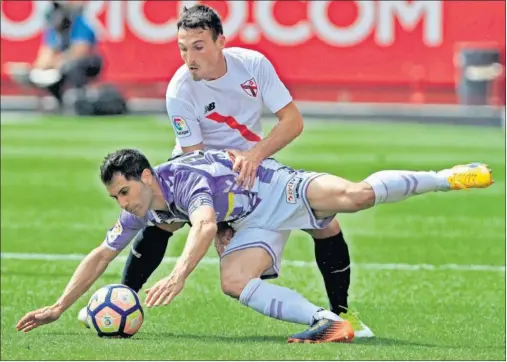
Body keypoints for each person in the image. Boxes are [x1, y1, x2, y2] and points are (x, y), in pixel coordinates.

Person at [17, 148, 493, 343]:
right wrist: (59, 306)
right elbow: (102, 254)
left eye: (124, 192)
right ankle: (329, 323)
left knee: (356, 196)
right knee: (233, 281)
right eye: (115, 198)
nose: (123, 204)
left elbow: (203, 225)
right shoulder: (145, 206)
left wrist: (178, 275)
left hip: (276, 188)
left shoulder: (183, 180)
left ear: (145, 178)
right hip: (250, 222)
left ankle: (446, 178)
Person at [112, 3, 371, 336]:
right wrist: (220, 226)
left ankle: (343, 317)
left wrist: (255, 155)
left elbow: (292, 121)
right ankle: (123, 299)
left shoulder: (252, 65)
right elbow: (196, 164)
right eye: (183, 48)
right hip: (196, 170)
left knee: (326, 224)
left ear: (221, 42)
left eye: (198, 46)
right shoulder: (180, 88)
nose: (189, 57)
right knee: (162, 220)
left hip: (251, 166)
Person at [5, 1, 102, 110]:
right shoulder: (53, 30)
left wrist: (57, 63)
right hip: (60, 65)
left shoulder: (80, 24)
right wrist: (30, 70)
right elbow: (45, 57)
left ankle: (77, 95)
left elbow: (78, 52)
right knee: (38, 73)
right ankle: (57, 99)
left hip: (86, 65)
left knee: (71, 67)